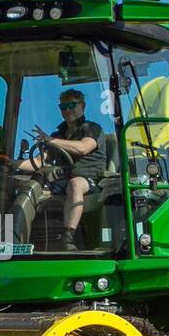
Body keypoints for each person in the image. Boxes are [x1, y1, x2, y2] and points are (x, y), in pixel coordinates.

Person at [10, 89, 106, 251]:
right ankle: (14, 240)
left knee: (75, 184)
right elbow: (39, 161)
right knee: (25, 185)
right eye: (63, 107)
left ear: (82, 106)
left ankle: (68, 239)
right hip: (62, 181)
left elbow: (83, 148)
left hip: (90, 181)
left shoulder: (92, 129)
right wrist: (12, 163)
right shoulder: (58, 134)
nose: (67, 110)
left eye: (71, 105)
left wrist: (52, 140)